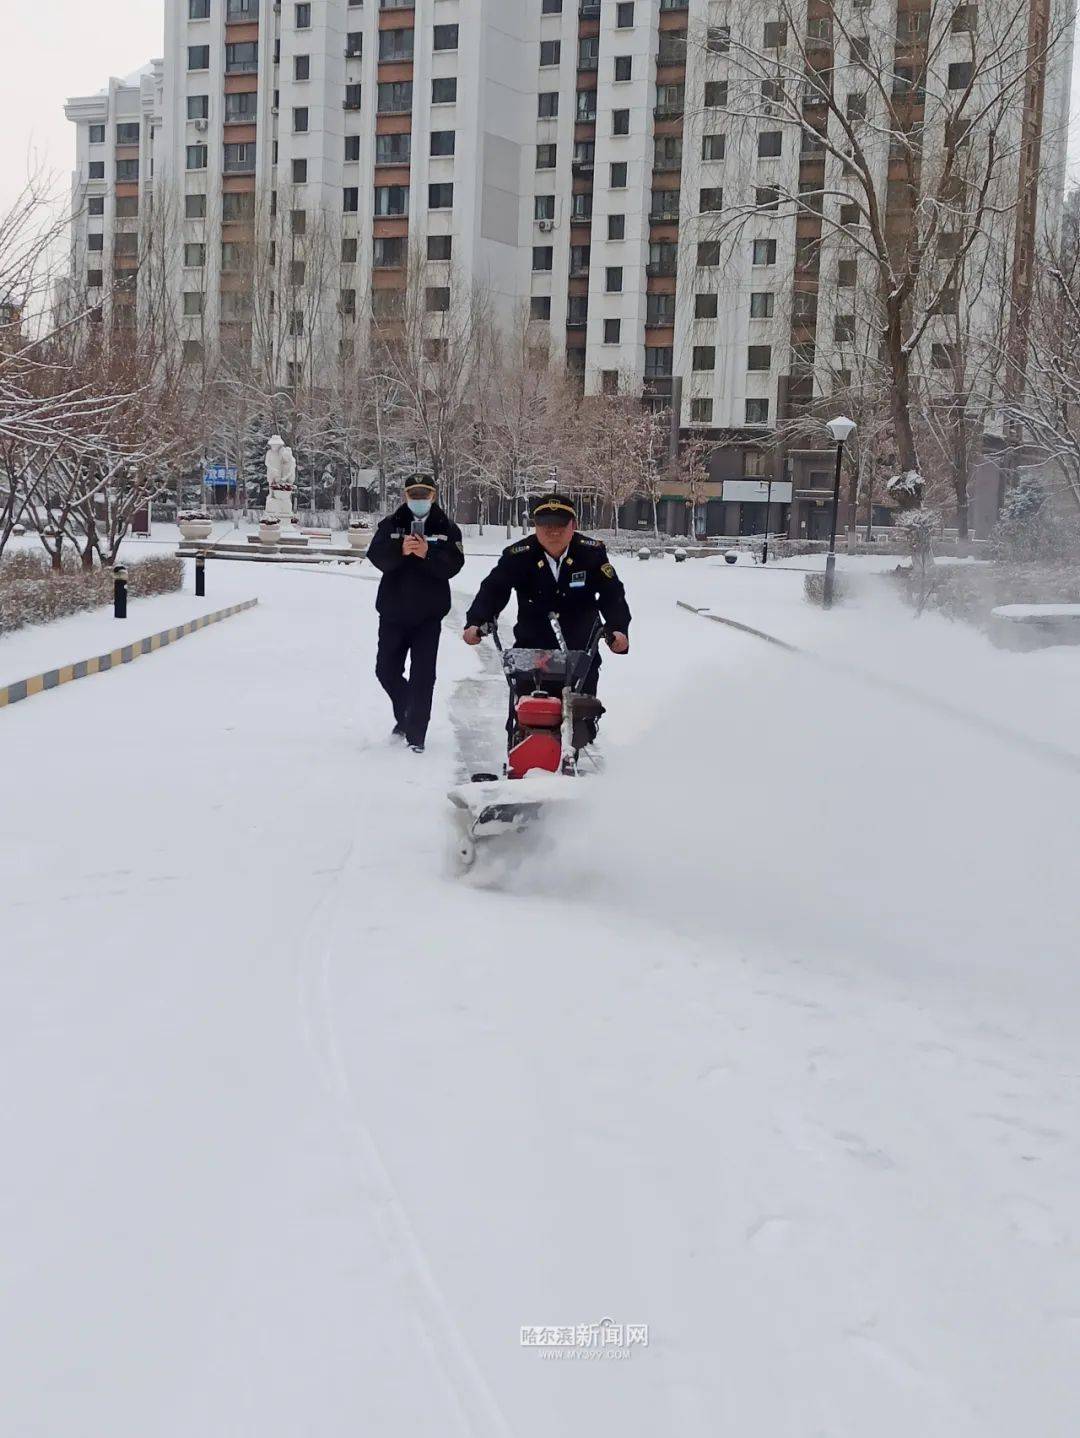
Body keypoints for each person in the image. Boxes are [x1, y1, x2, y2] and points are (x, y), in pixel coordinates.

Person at [463, 494, 630, 742]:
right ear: (536, 526)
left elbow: (611, 593)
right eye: (545, 524)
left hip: (580, 648)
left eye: (560, 525)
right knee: (529, 714)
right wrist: (476, 622)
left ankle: (574, 753)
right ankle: (523, 751)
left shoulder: (591, 553)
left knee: (579, 721)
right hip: (533, 646)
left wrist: (618, 629)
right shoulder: (519, 555)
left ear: (573, 525)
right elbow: (494, 589)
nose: (552, 531)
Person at [366, 477, 464, 753]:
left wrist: (427, 554)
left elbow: (454, 565)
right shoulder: (391, 523)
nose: (419, 498)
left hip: (428, 617)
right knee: (385, 670)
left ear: (433, 496)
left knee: (423, 676)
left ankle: (416, 735)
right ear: (406, 495)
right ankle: (406, 711)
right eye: (414, 493)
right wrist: (400, 550)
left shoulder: (446, 528)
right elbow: (376, 556)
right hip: (393, 613)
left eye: (424, 493)